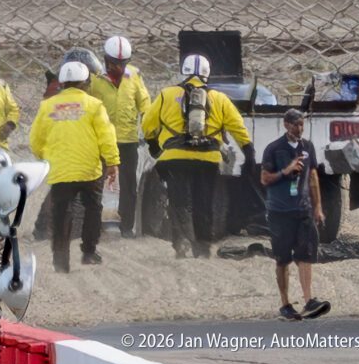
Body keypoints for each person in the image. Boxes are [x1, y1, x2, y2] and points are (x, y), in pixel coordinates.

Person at [141, 53, 254, 258]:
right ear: (207, 73)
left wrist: (153, 146)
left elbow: (148, 125)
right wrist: (248, 151)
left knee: (179, 202)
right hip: (208, 159)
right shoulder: (219, 99)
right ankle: (202, 247)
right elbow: (237, 127)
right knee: (204, 203)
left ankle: (182, 243)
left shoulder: (166, 94)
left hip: (174, 159)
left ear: (182, 71)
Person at [30, 62, 120, 273]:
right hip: (90, 170)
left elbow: (35, 139)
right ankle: (89, 252)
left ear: (63, 83)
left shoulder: (48, 106)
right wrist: (113, 161)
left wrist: (45, 157)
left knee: (61, 213)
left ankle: (60, 260)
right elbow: (106, 136)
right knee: (93, 209)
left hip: (61, 170)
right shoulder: (94, 105)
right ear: (85, 83)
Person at [259, 108, 331, 321]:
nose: (299, 129)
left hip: (303, 209)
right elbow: (264, 179)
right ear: (286, 125)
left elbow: (313, 177)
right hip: (280, 211)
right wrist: (286, 171)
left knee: (305, 255)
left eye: (301, 125)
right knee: (283, 259)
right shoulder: (274, 149)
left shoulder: (307, 147)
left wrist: (318, 207)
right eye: (295, 125)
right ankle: (285, 303)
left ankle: (309, 300)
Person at [90, 36, 150, 239]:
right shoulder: (95, 78)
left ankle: (127, 226)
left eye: (123, 63)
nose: (120, 67)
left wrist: (148, 123)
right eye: (115, 64)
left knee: (128, 185)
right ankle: (93, 223)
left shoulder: (133, 76)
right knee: (95, 181)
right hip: (101, 141)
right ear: (106, 60)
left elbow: (144, 102)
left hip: (127, 140)